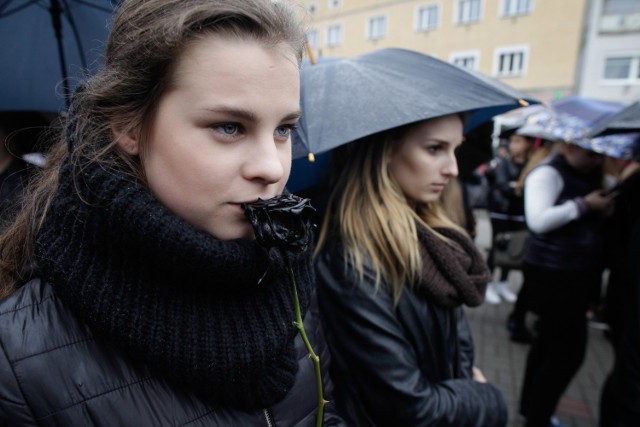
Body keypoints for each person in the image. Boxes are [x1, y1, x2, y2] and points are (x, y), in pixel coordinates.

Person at [0, 1, 345, 426]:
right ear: (128, 126)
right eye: (229, 127)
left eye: (283, 129)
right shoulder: (18, 362)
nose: (272, 167)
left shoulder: (286, 278)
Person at [315, 114, 508, 426]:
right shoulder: (354, 262)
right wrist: (486, 399)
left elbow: (457, 352)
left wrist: (464, 388)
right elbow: (406, 407)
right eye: (435, 149)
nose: (453, 169)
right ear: (386, 151)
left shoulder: (434, 241)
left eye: (455, 149)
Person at [518, 137, 615, 427]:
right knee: (567, 353)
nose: (596, 160)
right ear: (570, 146)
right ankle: (538, 415)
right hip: (555, 274)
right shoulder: (548, 173)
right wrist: (584, 205)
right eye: (589, 153)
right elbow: (538, 220)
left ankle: (532, 409)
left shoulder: (587, 174)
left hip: (573, 272)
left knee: (548, 345)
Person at [484, 131, 535, 306]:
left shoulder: (531, 165)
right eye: (512, 141)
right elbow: (502, 185)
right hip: (500, 211)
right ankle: (489, 283)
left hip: (519, 214)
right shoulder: (504, 163)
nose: (514, 145)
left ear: (528, 143)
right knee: (497, 246)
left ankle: (504, 283)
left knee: (514, 248)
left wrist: (518, 188)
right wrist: (518, 188)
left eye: (518, 141)